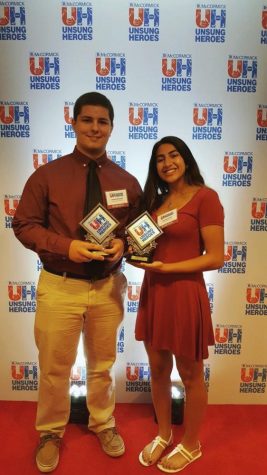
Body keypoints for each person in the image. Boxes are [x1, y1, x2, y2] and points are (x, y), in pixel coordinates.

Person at [12, 92, 142, 473]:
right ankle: (51, 432)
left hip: (108, 287)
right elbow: (24, 225)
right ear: (74, 124)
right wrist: (66, 247)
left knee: (102, 365)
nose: (95, 128)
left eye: (103, 122)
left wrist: (124, 243)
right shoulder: (47, 175)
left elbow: (137, 231)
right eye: (88, 120)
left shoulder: (126, 181)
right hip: (60, 284)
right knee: (55, 366)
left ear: (112, 128)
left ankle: (103, 423)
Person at [131, 136, 224, 473]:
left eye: (173, 155)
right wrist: (134, 256)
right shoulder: (154, 203)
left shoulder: (206, 197)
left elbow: (216, 257)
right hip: (154, 292)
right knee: (157, 369)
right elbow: (146, 247)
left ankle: (192, 443)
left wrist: (168, 268)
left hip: (184, 294)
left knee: (190, 374)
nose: (167, 162)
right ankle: (164, 433)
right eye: (160, 158)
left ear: (186, 159)